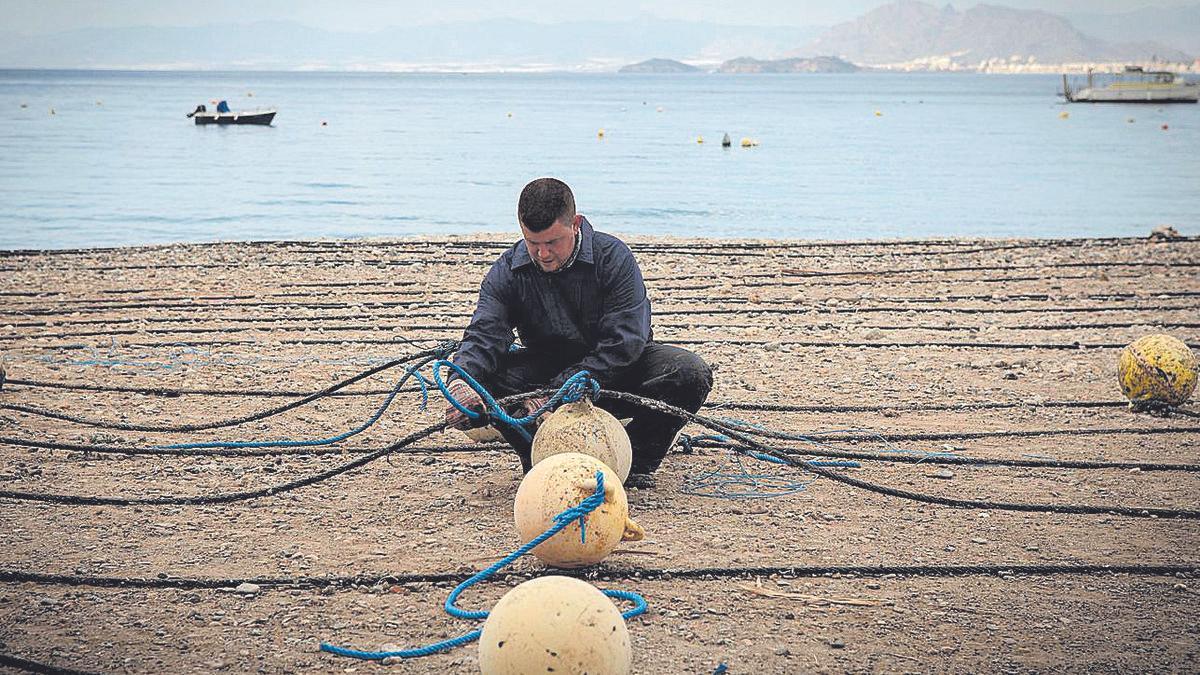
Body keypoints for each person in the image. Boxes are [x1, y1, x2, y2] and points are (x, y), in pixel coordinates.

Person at [444, 177, 713, 487]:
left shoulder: (614, 258)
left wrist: (559, 391)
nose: (542, 254)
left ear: (575, 224)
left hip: (617, 373)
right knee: (483, 383)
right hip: (543, 374)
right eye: (533, 243)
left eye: (552, 242)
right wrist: (461, 382)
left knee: (690, 373)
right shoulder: (507, 272)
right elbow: (484, 336)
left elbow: (625, 343)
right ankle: (537, 457)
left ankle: (635, 460)